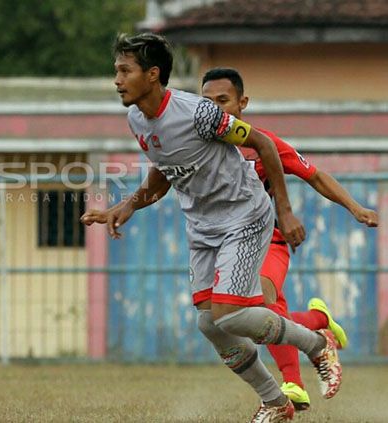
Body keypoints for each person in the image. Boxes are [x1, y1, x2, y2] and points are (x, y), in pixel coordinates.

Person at [80, 33, 341, 423]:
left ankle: (317, 343)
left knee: (232, 314)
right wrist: (128, 205)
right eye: (116, 71)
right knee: (210, 323)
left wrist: (284, 212)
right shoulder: (136, 118)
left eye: (124, 71)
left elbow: (264, 145)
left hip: (245, 214)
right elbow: (164, 171)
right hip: (202, 225)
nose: (116, 80)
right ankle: (276, 402)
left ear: (152, 75)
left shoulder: (199, 113)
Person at [201, 67, 379, 410]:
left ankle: (293, 385)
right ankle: (317, 323)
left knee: (264, 304)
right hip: (222, 245)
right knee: (235, 318)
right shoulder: (197, 146)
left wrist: (356, 208)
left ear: (242, 103)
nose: (216, 109)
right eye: (207, 102)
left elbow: (314, 175)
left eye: (223, 100)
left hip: (268, 241)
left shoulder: (261, 143)